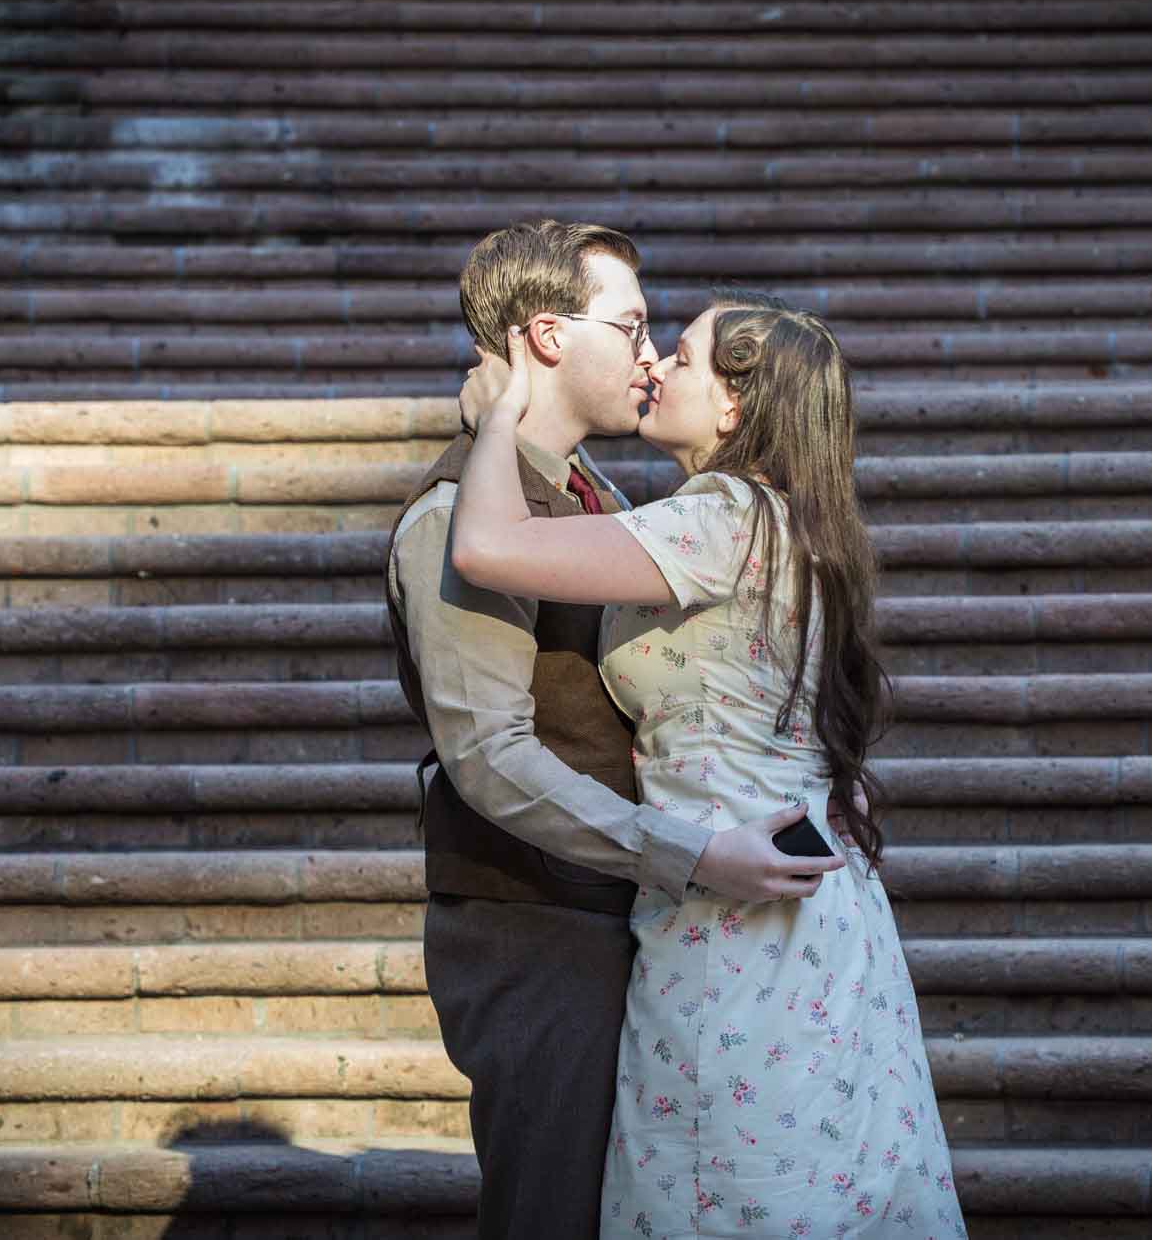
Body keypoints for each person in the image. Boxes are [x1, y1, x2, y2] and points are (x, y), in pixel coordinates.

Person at [451, 291, 967, 1237]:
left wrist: (498, 418)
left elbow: (485, 546)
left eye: (681, 357)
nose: (655, 367)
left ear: (736, 405)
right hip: (802, 909)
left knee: (725, 1195)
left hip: (738, 916)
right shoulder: (782, 522)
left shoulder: (726, 517)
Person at [384, 222, 856, 1240]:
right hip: (537, 922)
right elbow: (490, 760)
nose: (650, 357)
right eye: (636, 326)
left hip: (638, 904)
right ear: (546, 336)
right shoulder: (449, 515)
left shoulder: (606, 497)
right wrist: (684, 851)